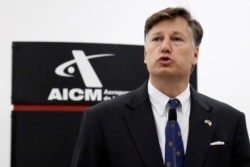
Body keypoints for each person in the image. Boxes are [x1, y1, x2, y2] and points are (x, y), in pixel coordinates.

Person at [71, 7, 250, 167]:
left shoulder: (230, 122)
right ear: (145, 54)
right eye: (157, 39)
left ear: (195, 54)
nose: (165, 47)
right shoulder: (102, 120)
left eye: (177, 39)